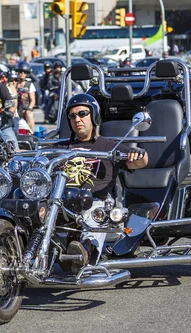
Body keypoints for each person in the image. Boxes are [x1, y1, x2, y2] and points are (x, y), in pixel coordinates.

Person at [57, 93, 148, 267]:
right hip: (61, 201)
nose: (77, 119)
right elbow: (33, 156)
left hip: (95, 201)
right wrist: (8, 153)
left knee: (95, 215)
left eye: (83, 114)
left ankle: (84, 252)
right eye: (72, 115)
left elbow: (141, 162)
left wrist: (139, 154)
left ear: (94, 116)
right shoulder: (60, 146)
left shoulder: (109, 146)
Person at [15, 61, 36, 132]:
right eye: (20, 72)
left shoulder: (30, 85)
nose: (22, 74)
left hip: (25, 109)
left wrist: (29, 109)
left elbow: (33, 100)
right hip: (15, 109)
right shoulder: (13, 84)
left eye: (24, 72)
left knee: (29, 114)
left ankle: (32, 133)